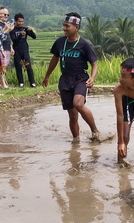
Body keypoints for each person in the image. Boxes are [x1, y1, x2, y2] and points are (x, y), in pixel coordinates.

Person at [42, 13, 101, 142]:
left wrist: (92, 77)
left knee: (78, 104)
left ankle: (95, 131)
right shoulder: (60, 42)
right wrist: (47, 76)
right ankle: (76, 142)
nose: (64, 28)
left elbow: (94, 64)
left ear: (76, 27)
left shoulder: (84, 44)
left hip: (80, 78)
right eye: (64, 25)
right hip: (65, 80)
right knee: (72, 115)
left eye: (67, 26)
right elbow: (55, 59)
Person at [10, 13, 37, 88]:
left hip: (25, 50)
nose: (21, 23)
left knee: (28, 66)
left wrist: (30, 31)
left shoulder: (24, 29)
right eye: (19, 21)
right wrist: (20, 35)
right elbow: (14, 40)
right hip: (17, 50)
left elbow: (34, 37)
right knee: (18, 67)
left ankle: (32, 82)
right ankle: (21, 83)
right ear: (15, 21)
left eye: (22, 21)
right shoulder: (12, 30)